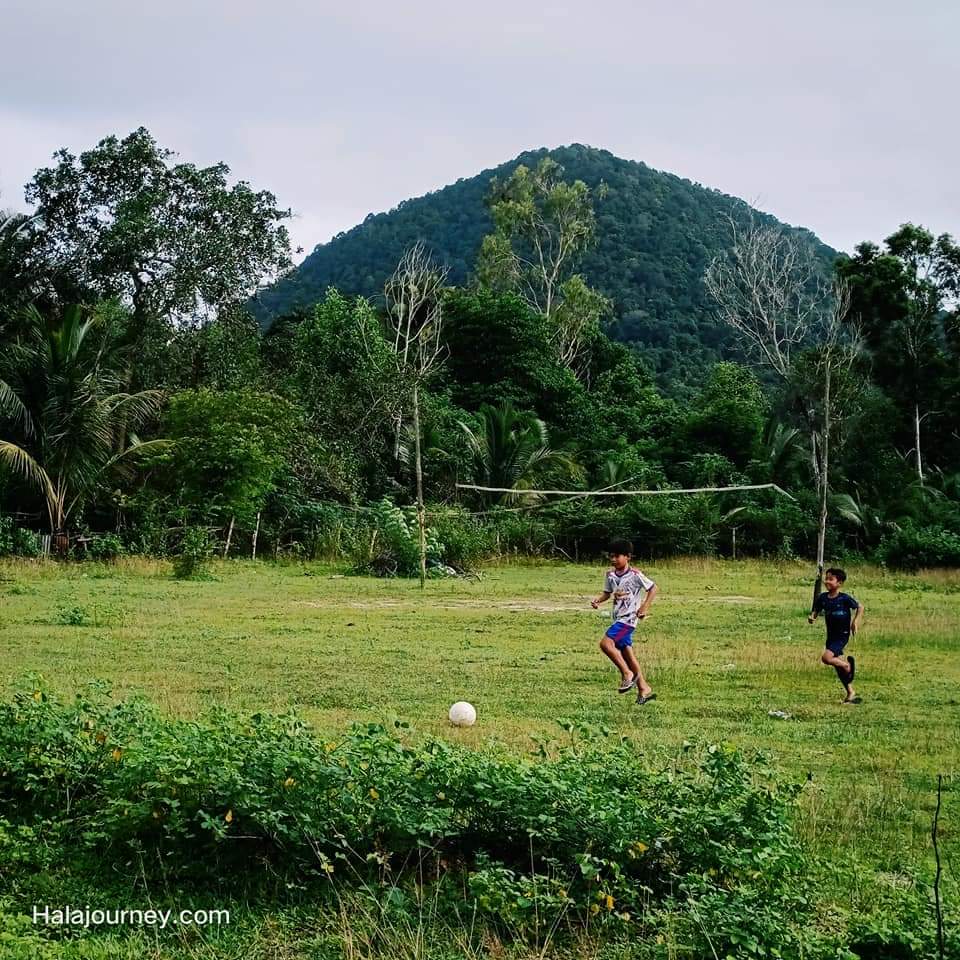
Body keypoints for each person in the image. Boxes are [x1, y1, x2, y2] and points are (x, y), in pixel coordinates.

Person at [591, 539, 658, 705]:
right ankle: (644, 688)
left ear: (628, 557)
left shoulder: (635, 575)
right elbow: (607, 593)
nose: (613, 559)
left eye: (617, 556)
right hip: (618, 617)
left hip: (628, 620)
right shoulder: (610, 575)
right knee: (628, 655)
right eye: (611, 556)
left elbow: (653, 588)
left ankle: (627, 674)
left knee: (606, 644)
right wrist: (598, 600)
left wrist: (644, 607)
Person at [808, 567, 864, 704]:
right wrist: (812, 617)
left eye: (831, 579)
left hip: (842, 635)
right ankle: (850, 692)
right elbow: (816, 610)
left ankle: (847, 666)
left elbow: (860, 607)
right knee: (837, 666)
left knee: (826, 658)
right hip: (831, 636)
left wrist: (855, 622)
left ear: (839, 583)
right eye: (826, 578)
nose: (827, 581)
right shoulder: (822, 598)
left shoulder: (844, 598)